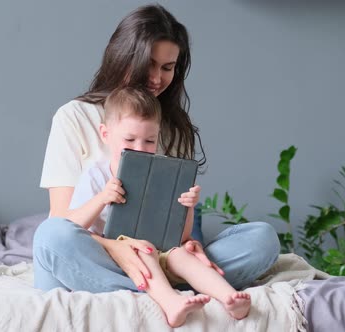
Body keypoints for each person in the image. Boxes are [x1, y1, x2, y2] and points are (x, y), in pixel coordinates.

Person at [33, 3, 280, 296]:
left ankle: (149, 290)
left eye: (167, 67)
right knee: (50, 236)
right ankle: (164, 293)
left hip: (163, 257)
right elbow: (63, 220)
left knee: (262, 238)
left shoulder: (173, 128)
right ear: (124, 57)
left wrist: (191, 245)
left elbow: (179, 221)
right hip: (100, 256)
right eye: (148, 63)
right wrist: (117, 248)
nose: (156, 78)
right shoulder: (74, 117)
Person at [66, 86, 252, 327]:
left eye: (150, 140)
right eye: (129, 139)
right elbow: (71, 226)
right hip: (117, 255)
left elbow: (182, 237)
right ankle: (171, 302)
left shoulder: (162, 174)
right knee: (143, 250)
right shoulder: (95, 175)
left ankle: (229, 298)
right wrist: (102, 198)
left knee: (181, 254)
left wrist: (188, 207)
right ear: (105, 134)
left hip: (159, 251)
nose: (140, 148)